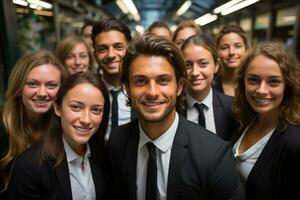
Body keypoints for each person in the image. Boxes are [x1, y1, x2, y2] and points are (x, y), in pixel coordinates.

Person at [107, 33, 243, 200]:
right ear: (127, 88)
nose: (152, 92)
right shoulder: (118, 140)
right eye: (140, 81)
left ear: (179, 86)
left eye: (163, 80)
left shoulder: (214, 154)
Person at [8, 72, 111, 199]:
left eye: (96, 110)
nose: (86, 119)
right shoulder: (30, 165)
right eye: (76, 107)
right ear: (57, 107)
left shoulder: (105, 153)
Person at [231, 41, 300, 199]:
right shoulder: (245, 120)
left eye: (274, 81)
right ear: (243, 83)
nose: (262, 90)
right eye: (253, 80)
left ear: (287, 86)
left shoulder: (294, 142)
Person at [0, 50, 67, 198]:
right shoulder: (2, 128)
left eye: (51, 85)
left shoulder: (66, 129)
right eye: (32, 84)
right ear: (18, 87)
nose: (42, 93)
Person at [180, 34, 236, 140]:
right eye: (188, 65)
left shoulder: (231, 108)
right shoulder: (173, 109)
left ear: (216, 66)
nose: (195, 72)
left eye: (203, 64)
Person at [92, 17, 137, 141]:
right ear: (94, 53)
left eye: (118, 47)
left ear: (129, 48)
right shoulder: (89, 91)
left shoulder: (142, 88)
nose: (111, 55)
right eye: (102, 49)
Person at [215, 24, 248, 96]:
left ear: (246, 50)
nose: (231, 52)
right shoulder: (211, 87)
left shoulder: (254, 85)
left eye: (238, 46)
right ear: (217, 52)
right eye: (224, 47)